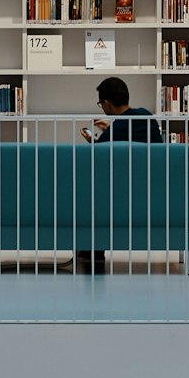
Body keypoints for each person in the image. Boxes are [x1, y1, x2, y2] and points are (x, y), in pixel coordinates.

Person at [77, 77, 162, 271]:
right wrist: (110, 129)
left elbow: (100, 152)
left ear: (107, 103)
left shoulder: (119, 127)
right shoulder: (145, 116)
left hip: (124, 192)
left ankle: (90, 250)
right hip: (153, 185)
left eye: (101, 104)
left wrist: (92, 138)